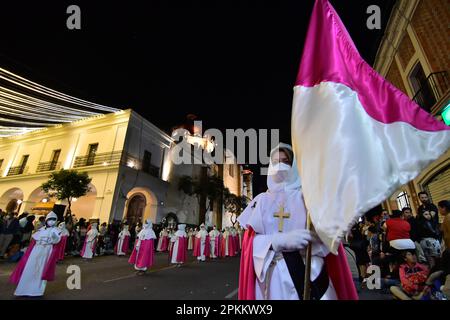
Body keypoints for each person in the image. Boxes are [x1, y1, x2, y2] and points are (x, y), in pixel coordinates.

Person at [238, 143, 357, 300]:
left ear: (294, 164)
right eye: (275, 161)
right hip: (274, 278)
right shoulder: (261, 201)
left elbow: (329, 239)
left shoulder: (309, 198)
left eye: (285, 161)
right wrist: (278, 241)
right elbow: (250, 244)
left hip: (309, 272)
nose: (280, 165)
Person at [9, 211, 61, 297]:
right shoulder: (41, 229)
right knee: (29, 268)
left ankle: (36, 291)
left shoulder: (56, 230)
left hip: (46, 251)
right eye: (50, 219)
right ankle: (23, 290)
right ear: (46, 220)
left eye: (54, 220)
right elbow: (34, 240)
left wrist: (54, 238)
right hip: (35, 251)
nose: (52, 221)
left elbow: (56, 240)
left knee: (41, 270)